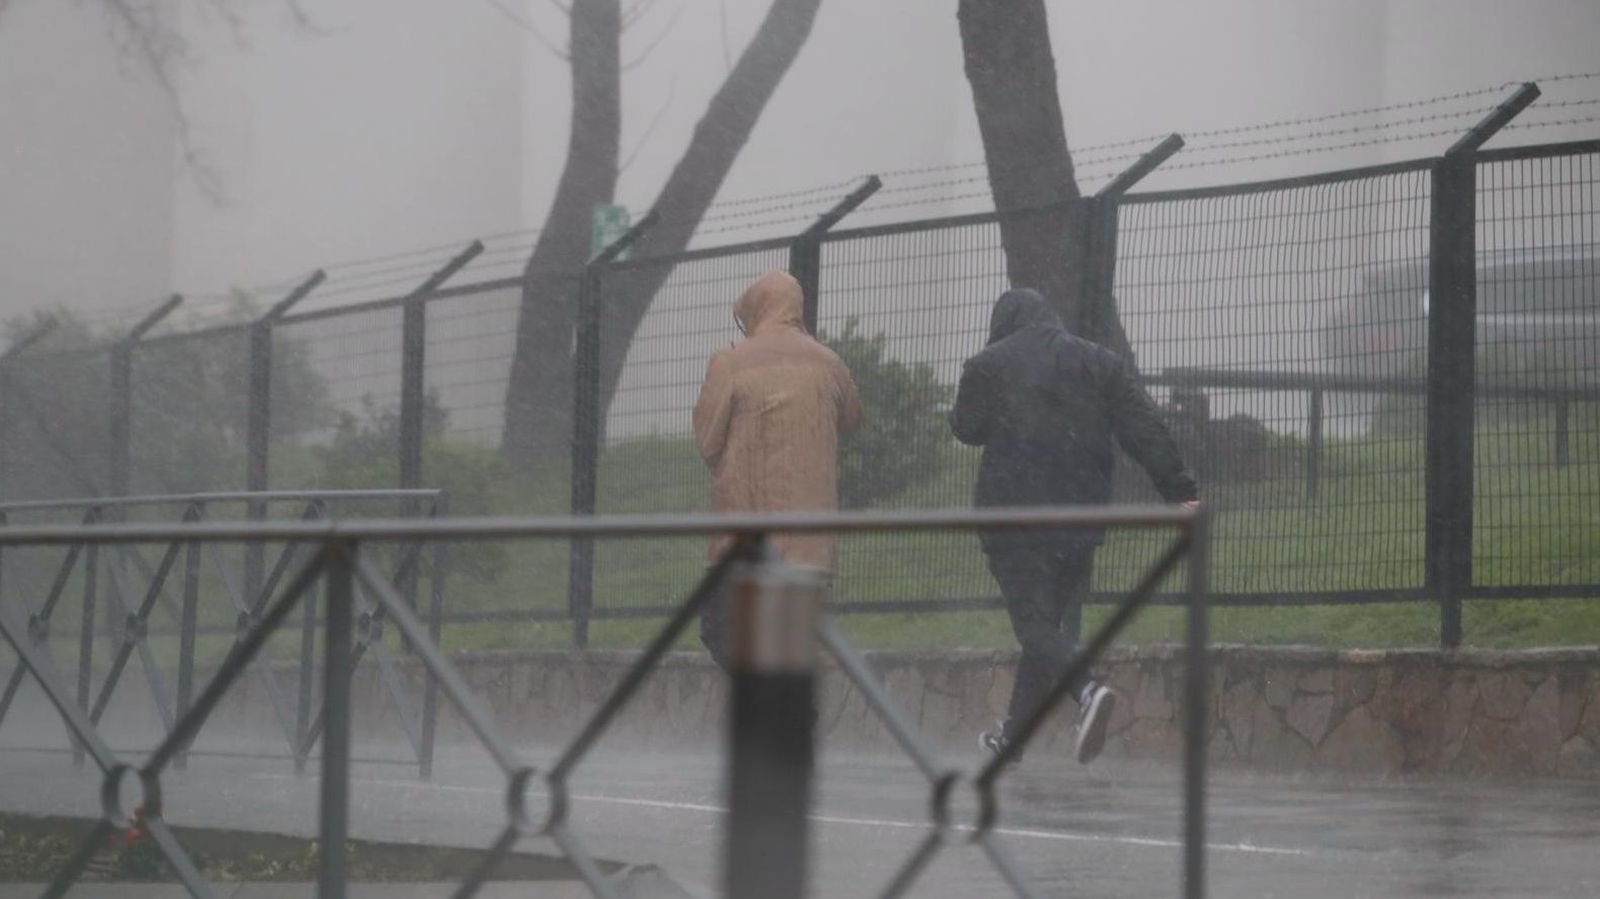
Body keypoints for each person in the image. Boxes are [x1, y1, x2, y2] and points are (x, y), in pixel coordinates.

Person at [951, 287, 1198, 765]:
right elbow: (1142, 427)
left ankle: (1087, 689)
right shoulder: (1100, 362)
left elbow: (968, 428)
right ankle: (1013, 739)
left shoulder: (989, 363)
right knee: (1047, 627)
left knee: (1035, 624)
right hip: (1081, 516)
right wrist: (1179, 490)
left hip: (1013, 514)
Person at [692, 269, 863, 671]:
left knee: (721, 629)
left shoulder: (731, 361)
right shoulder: (829, 362)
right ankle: (788, 717)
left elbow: (707, 442)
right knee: (788, 644)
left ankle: (779, 716)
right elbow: (852, 419)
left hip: (745, 538)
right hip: (810, 543)